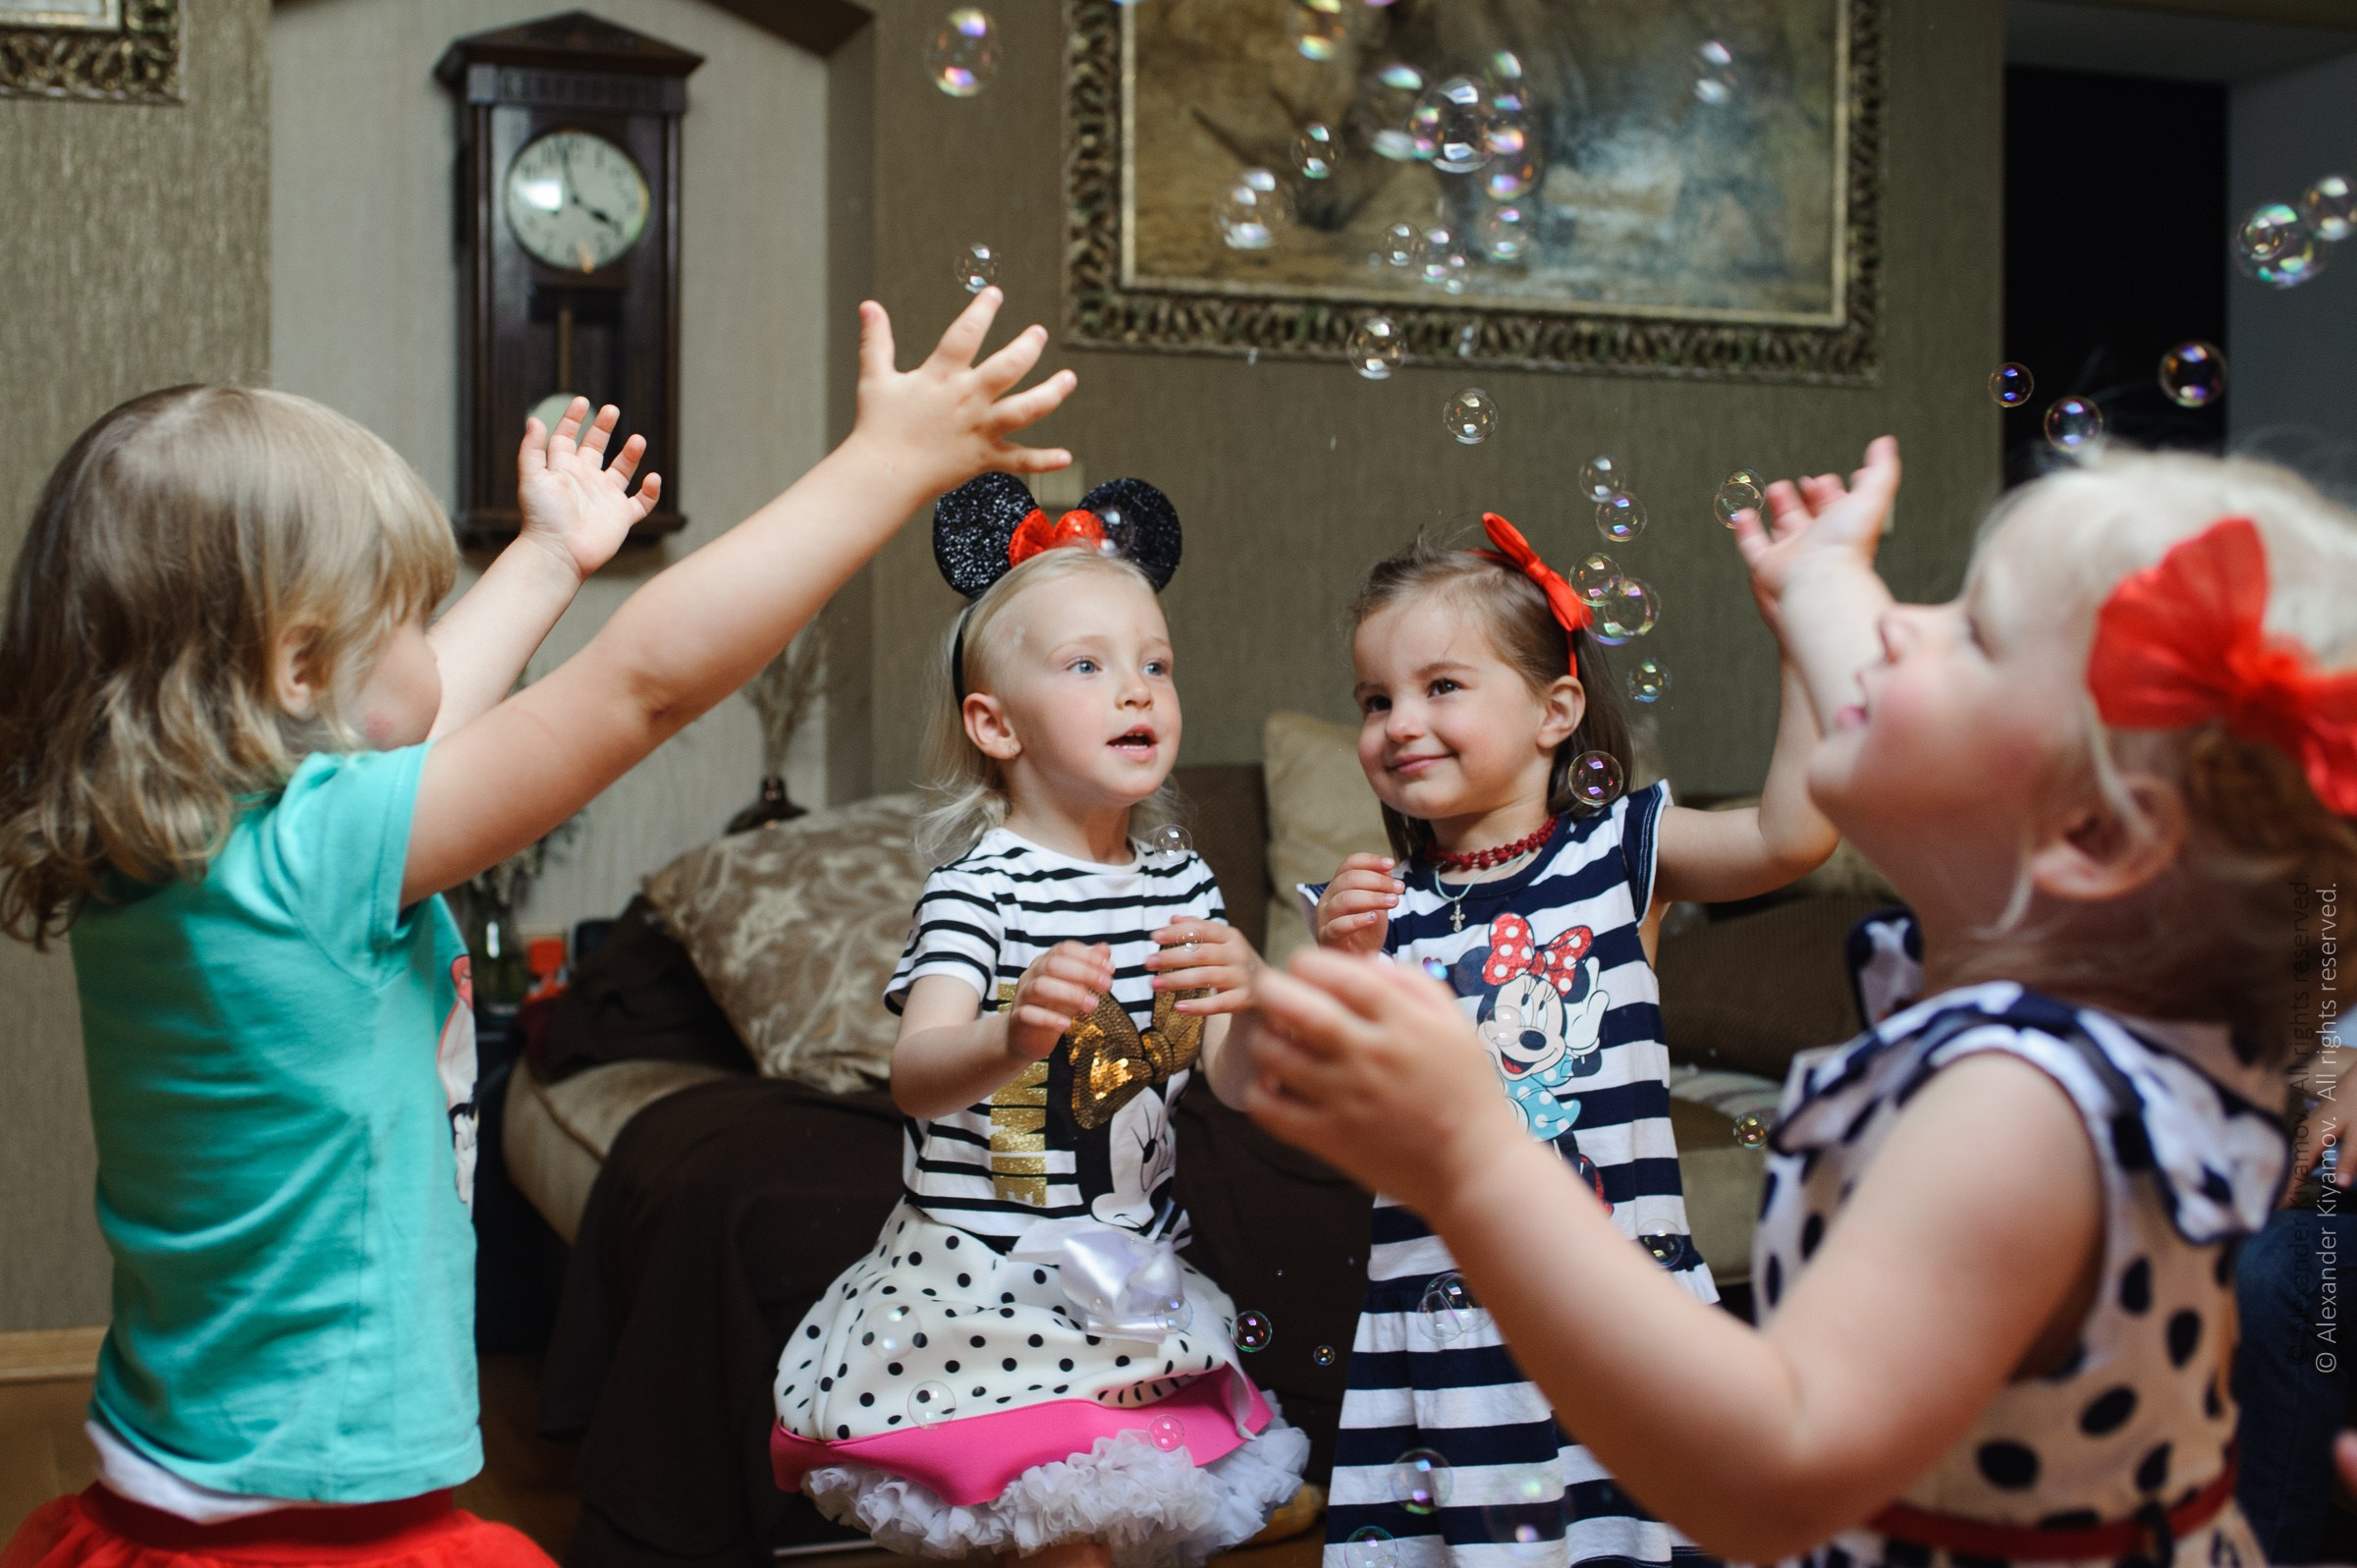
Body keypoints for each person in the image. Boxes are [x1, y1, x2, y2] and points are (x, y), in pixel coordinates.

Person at [0, 289, 1073, 1566]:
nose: (428, 644)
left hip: (162, 1477)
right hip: (323, 1518)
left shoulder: (163, 854)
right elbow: (644, 686)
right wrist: (885, 466)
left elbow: (419, 711)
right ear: (297, 674)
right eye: (402, 613)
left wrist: (550, 554)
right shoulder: (319, 855)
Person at [1245, 439, 2351, 1568]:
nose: (1891, 625)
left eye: (1970, 631)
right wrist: (1818, 584)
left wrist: (1473, 1159)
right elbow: (1876, 703)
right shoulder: (2067, 1022)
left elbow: (1774, 1472)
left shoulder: (2020, 1109)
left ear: (2088, 833)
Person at [769, 472, 1308, 1568]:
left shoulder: (1183, 881)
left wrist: (1257, 993)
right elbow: (915, 1072)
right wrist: (1013, 1034)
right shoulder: (985, 888)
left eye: (1156, 663)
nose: (1137, 692)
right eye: (1088, 666)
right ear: (993, 723)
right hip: (991, 1294)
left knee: (1123, 1537)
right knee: (1069, 1549)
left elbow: (1240, 1084)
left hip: (1135, 1290)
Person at [1294, 513, 1836, 1568]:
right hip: (1446, 1324)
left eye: (1441, 686)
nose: (1400, 721)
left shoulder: (1618, 852)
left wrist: (1801, 632)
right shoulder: (1367, 907)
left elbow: (1791, 836)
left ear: (1557, 711)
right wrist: (1343, 960)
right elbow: (1323, 1107)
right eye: (1375, 700)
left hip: (1618, 1306)